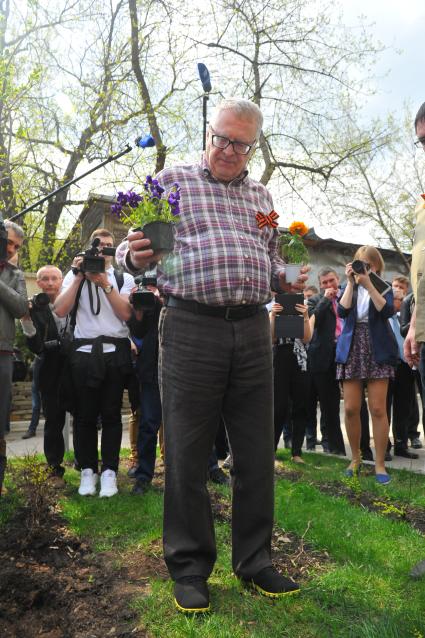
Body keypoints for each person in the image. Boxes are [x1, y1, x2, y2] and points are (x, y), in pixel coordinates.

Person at [116, 98, 308, 613]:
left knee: (254, 454)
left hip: (250, 331)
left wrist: (290, 294)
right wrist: (130, 255)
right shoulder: (171, 181)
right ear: (209, 132)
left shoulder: (263, 196)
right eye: (220, 137)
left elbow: (276, 255)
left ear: (253, 147)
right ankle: (190, 565)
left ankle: (255, 560)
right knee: (185, 453)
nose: (226, 149)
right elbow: (129, 248)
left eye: (239, 143)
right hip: (189, 327)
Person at [54, 229, 134, 498]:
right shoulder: (74, 275)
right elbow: (61, 310)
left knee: (111, 414)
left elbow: (126, 314)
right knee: (84, 415)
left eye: (109, 246)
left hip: (115, 352)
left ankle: (110, 472)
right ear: (90, 248)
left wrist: (104, 283)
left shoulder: (123, 277)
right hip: (84, 352)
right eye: (98, 246)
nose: (103, 251)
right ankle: (88, 471)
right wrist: (78, 277)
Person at [336, 246, 398, 484]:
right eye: (360, 263)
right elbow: (342, 311)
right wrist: (351, 283)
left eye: (368, 264)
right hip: (352, 347)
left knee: (378, 409)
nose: (364, 268)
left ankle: (380, 464)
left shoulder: (384, 286)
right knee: (351, 408)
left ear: (376, 266)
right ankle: (355, 458)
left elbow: (387, 311)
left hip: (377, 347)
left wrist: (369, 283)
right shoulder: (347, 286)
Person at [20, 266, 70, 481]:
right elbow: (36, 346)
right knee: (53, 419)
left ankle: (87, 464)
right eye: (45, 279)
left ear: (61, 280)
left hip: (75, 362)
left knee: (87, 416)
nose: (50, 283)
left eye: (54, 278)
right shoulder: (34, 306)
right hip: (49, 364)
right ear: (38, 283)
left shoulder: (73, 298)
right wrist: (26, 319)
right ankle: (54, 467)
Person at [0, 220, 28, 497]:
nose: (11, 249)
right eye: (8, 242)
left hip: (3, 354)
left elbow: (21, 307)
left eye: (16, 246)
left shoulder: (15, 274)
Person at [307, 268, 346, 455]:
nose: (329, 285)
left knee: (352, 405)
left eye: (332, 280)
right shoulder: (315, 300)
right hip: (323, 358)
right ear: (320, 285)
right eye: (324, 283)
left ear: (338, 279)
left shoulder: (347, 297)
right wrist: (325, 299)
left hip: (346, 354)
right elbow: (315, 321)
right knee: (328, 404)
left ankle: (356, 447)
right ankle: (333, 447)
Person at [270, 299, 312, 463]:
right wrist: (273, 316)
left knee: (300, 406)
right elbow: (271, 338)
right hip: (279, 359)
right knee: (278, 407)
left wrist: (305, 316)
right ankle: (270, 450)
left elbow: (308, 338)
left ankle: (296, 453)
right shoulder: (274, 308)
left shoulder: (306, 308)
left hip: (300, 361)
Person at [387, 289, 419, 459]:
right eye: (394, 299)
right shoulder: (382, 320)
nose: (396, 302)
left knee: (403, 408)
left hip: (405, 368)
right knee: (384, 409)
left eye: (398, 299)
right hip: (387, 367)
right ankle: (384, 446)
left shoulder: (404, 320)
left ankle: (401, 445)